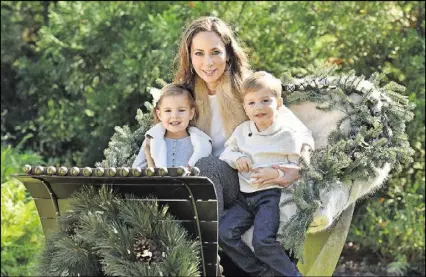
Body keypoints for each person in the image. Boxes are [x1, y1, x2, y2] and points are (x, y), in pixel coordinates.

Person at [173, 16, 314, 217]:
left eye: (215, 52)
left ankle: (209, 237)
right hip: (196, 178)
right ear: (190, 57)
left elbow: (300, 133)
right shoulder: (184, 98)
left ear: (228, 55)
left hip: (242, 178)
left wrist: (298, 168)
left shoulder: (249, 91)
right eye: (199, 53)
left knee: (206, 165)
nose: (208, 62)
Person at [218, 71, 304, 277]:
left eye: (266, 100)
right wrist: (237, 159)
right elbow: (227, 153)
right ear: (245, 107)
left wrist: (275, 172)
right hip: (243, 197)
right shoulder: (242, 131)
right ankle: (260, 272)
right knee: (224, 233)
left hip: (269, 196)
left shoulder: (287, 135)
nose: (259, 107)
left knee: (263, 241)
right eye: (252, 103)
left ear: (279, 103)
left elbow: (298, 167)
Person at [132, 83, 212, 169]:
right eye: (168, 110)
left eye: (181, 110)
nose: (174, 116)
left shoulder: (200, 143)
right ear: (159, 114)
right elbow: (137, 170)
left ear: (191, 113)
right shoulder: (151, 141)